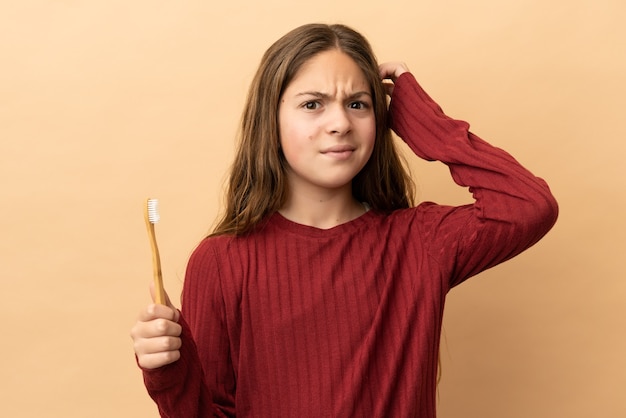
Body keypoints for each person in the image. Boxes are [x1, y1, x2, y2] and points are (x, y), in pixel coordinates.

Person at [130, 23, 558, 418]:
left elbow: (528, 205)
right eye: (312, 104)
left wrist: (423, 120)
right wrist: (169, 376)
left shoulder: (419, 241)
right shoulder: (220, 261)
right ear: (271, 119)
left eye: (358, 104)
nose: (340, 124)